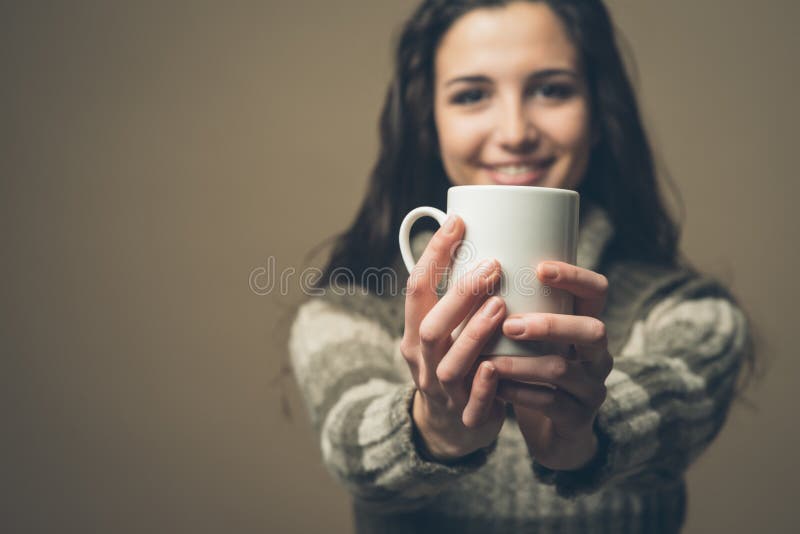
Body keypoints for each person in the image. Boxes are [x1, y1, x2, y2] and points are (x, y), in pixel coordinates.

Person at [288, 1, 757, 532]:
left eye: (551, 89)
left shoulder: (693, 316)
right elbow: (350, 447)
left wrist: (590, 430)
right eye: (471, 95)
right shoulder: (347, 312)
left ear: (600, 114)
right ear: (429, 123)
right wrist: (433, 430)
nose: (514, 132)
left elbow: (672, 408)